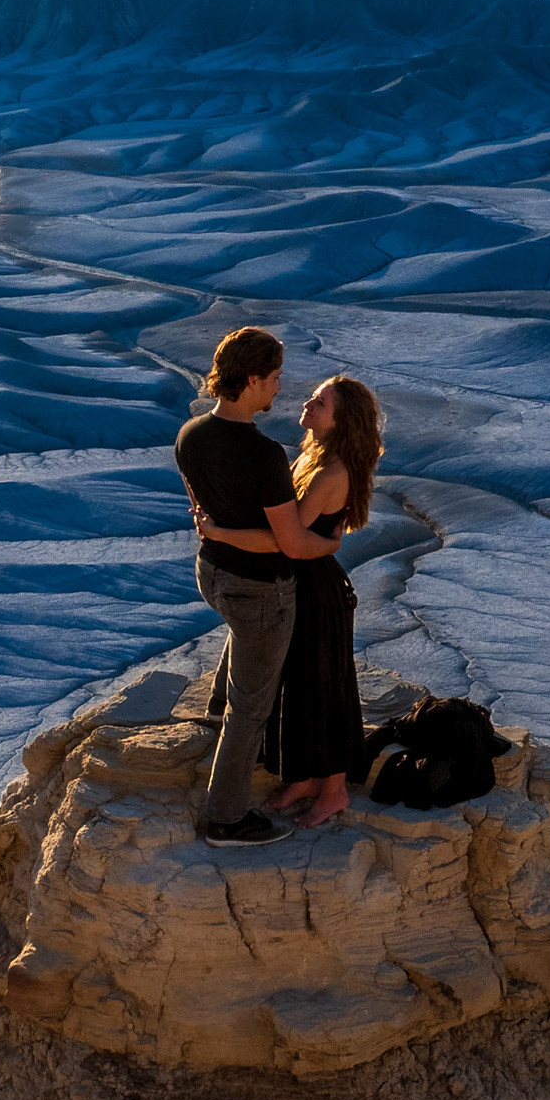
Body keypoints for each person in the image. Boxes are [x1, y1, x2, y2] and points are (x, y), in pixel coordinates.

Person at [172, 326, 332, 847]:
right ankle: (226, 818)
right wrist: (329, 545)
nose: (280, 389)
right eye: (276, 379)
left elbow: (205, 508)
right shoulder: (263, 454)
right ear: (252, 378)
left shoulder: (190, 433)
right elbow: (286, 544)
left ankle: (217, 712)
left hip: (211, 573)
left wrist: (217, 532)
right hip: (258, 587)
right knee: (253, 709)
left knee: (242, 643)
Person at [262, 376, 382, 828]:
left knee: (324, 691)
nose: (309, 403)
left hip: (316, 591)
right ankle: (305, 778)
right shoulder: (315, 458)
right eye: (314, 395)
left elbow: (287, 533)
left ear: (341, 420)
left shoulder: (333, 473)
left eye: (322, 401)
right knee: (298, 689)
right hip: (304, 581)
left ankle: (332, 791)